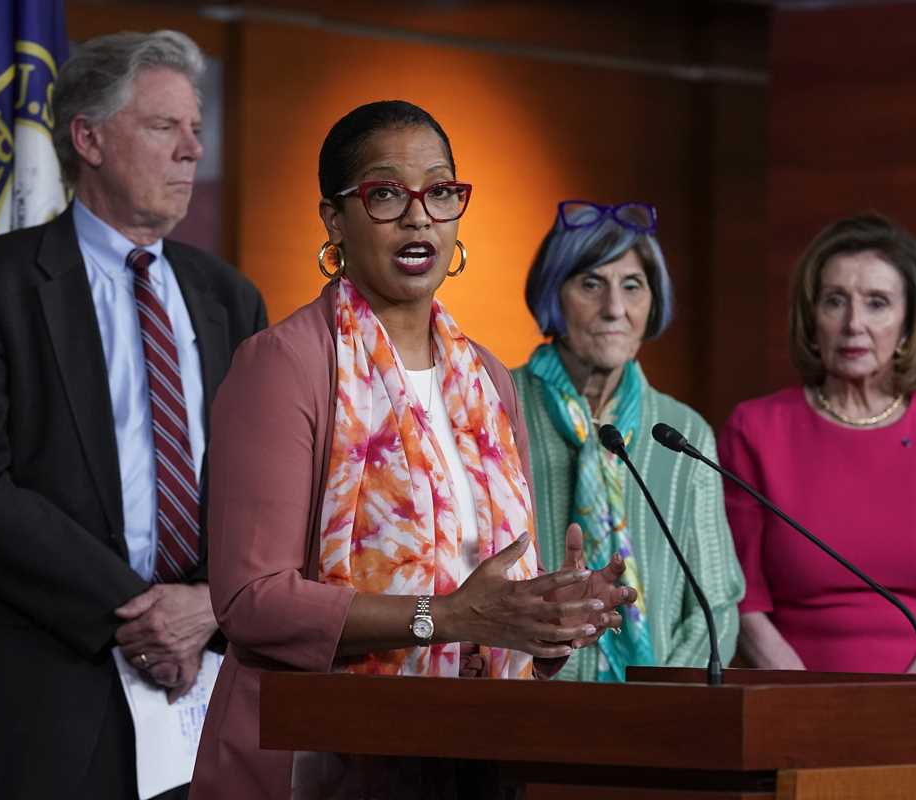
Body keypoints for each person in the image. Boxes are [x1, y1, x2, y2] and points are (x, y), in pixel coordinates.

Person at [188, 101, 631, 800]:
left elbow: (493, 597)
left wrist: (547, 616)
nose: (419, 216)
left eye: (441, 191)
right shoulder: (284, 365)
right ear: (335, 220)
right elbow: (251, 601)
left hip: (472, 751)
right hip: (323, 757)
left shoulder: (483, 376)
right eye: (387, 193)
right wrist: (446, 617)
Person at [0, 31, 267, 799]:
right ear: (88, 137)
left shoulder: (229, 298)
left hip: (201, 694)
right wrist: (142, 614)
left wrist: (209, 606)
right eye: (163, 126)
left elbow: (267, 491)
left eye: (197, 131)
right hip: (42, 691)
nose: (190, 153)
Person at [719, 213, 916, 674]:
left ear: (909, 323)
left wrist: (911, 694)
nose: (854, 323)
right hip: (792, 700)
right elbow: (740, 598)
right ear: (812, 319)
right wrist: (809, 703)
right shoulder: (756, 429)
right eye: (835, 301)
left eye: (877, 303)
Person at [511, 201, 744, 682]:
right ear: (554, 293)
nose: (615, 309)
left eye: (632, 287)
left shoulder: (683, 432)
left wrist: (662, 700)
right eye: (591, 284)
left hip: (657, 717)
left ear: (652, 302)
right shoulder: (494, 405)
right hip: (522, 706)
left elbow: (714, 607)